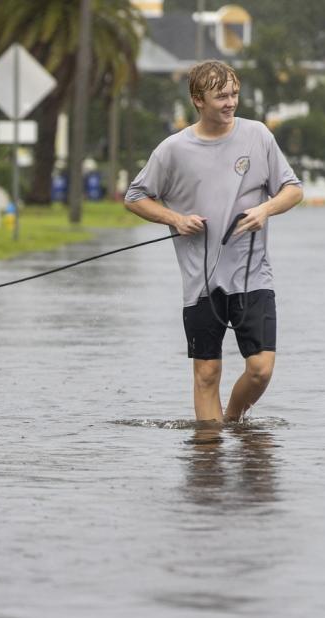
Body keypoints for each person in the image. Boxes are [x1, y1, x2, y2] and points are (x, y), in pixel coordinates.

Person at [124, 60, 303, 425]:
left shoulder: (258, 137)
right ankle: (207, 460)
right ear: (197, 100)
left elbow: (293, 189)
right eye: (221, 96)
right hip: (200, 282)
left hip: (252, 274)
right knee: (207, 374)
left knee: (261, 369)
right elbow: (134, 196)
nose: (230, 102)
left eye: (234, 94)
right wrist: (175, 219)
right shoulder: (173, 149)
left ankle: (233, 418)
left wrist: (266, 209)